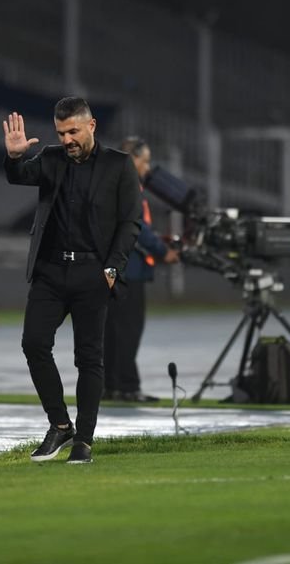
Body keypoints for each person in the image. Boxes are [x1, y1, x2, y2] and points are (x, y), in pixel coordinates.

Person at [3, 98, 141, 464]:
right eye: (61, 133)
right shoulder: (50, 158)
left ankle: (84, 440)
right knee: (34, 343)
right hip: (50, 272)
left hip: (93, 273)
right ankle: (60, 425)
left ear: (91, 125)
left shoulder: (119, 165)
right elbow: (19, 175)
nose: (67, 140)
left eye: (73, 132)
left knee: (89, 358)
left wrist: (112, 270)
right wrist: (15, 157)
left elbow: (130, 222)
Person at [103, 136, 179, 403]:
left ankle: (110, 386)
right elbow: (139, 228)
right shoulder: (128, 185)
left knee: (112, 329)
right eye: (144, 161)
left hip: (110, 269)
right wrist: (163, 251)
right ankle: (127, 387)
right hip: (129, 271)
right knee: (128, 329)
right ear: (131, 159)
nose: (147, 168)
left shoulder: (108, 183)